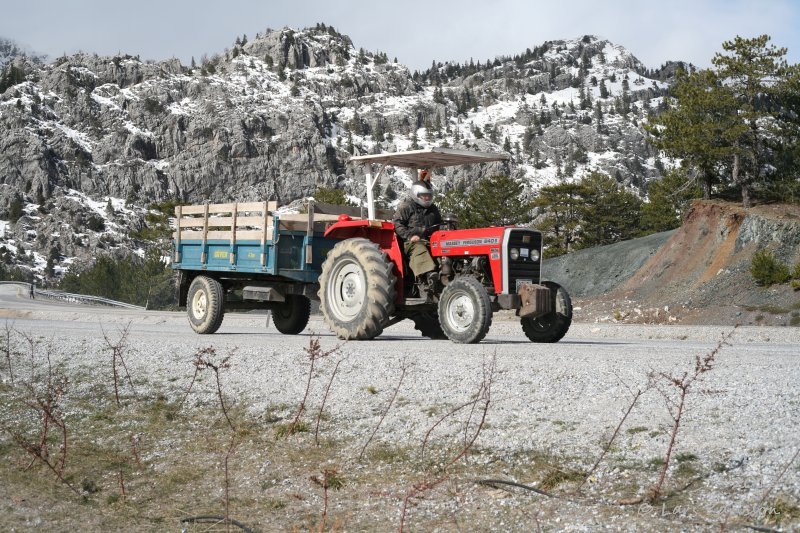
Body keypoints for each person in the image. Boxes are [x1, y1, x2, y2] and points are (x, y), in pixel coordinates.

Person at [392, 173, 442, 288]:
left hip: (429, 240)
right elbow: (397, 224)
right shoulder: (406, 206)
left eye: (429, 195)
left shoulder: (433, 209)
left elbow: (440, 224)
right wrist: (410, 236)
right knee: (419, 246)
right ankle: (428, 275)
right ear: (416, 194)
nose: (427, 198)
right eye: (424, 195)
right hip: (409, 243)